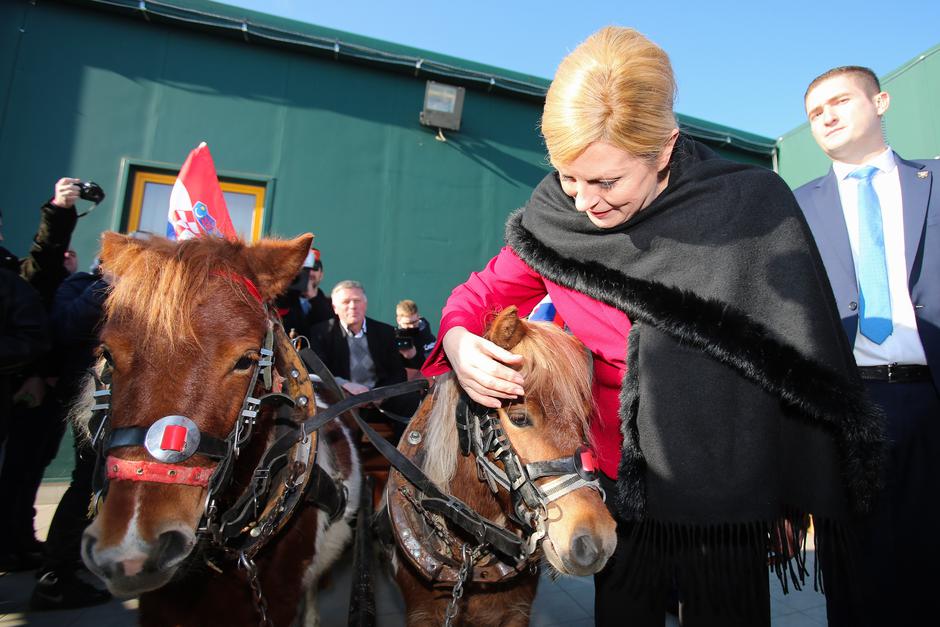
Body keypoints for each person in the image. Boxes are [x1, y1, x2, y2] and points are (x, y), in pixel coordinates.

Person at [423, 28, 884, 626]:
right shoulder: (556, 218)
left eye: (608, 181)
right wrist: (459, 340)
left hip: (726, 490)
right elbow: (480, 292)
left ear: (664, 149)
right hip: (617, 486)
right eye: (569, 177)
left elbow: (798, 346)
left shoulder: (747, 205)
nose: (585, 202)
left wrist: (790, 483)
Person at [794, 66, 939, 627]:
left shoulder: (935, 180)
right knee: (858, 576)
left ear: (880, 101)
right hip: (847, 411)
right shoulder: (794, 208)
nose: (826, 116)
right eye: (814, 112)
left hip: (930, 399)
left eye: (838, 101)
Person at [0, 177, 80, 571]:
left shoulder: (15, 277)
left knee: (25, 467)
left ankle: (16, 537)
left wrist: (60, 211)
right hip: (25, 386)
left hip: (27, 392)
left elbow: (43, 262)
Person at [308, 281, 419, 440]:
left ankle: (403, 457)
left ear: (365, 304)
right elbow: (317, 369)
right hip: (344, 396)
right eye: (346, 302)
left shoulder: (385, 331)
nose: (353, 306)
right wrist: (345, 385)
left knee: (410, 400)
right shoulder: (321, 332)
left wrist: (381, 393)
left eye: (357, 300)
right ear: (335, 308)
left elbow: (398, 372)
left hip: (379, 396)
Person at [280, 246, 332, 336]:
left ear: (321, 275)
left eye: (315, 268)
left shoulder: (331, 304)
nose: (309, 273)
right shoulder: (283, 300)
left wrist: (313, 297)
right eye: (304, 269)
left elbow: (329, 329)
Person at [394, 299, 436, 370]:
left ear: (418, 317)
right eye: (408, 323)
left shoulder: (427, 337)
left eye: (414, 322)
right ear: (398, 320)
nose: (412, 326)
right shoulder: (393, 337)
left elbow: (434, 366)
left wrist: (414, 356)